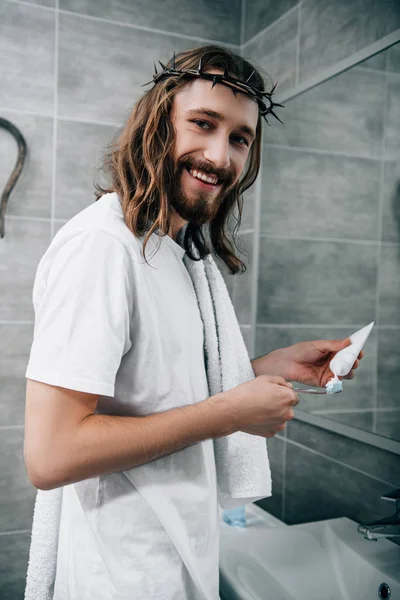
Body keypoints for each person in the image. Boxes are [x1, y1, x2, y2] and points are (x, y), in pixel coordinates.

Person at [23, 45, 363, 599]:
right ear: (158, 125)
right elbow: (52, 454)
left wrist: (263, 370)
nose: (219, 156)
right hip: (122, 572)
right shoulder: (102, 247)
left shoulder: (175, 252)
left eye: (239, 139)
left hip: (175, 551)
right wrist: (230, 411)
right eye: (202, 124)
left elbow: (155, 390)